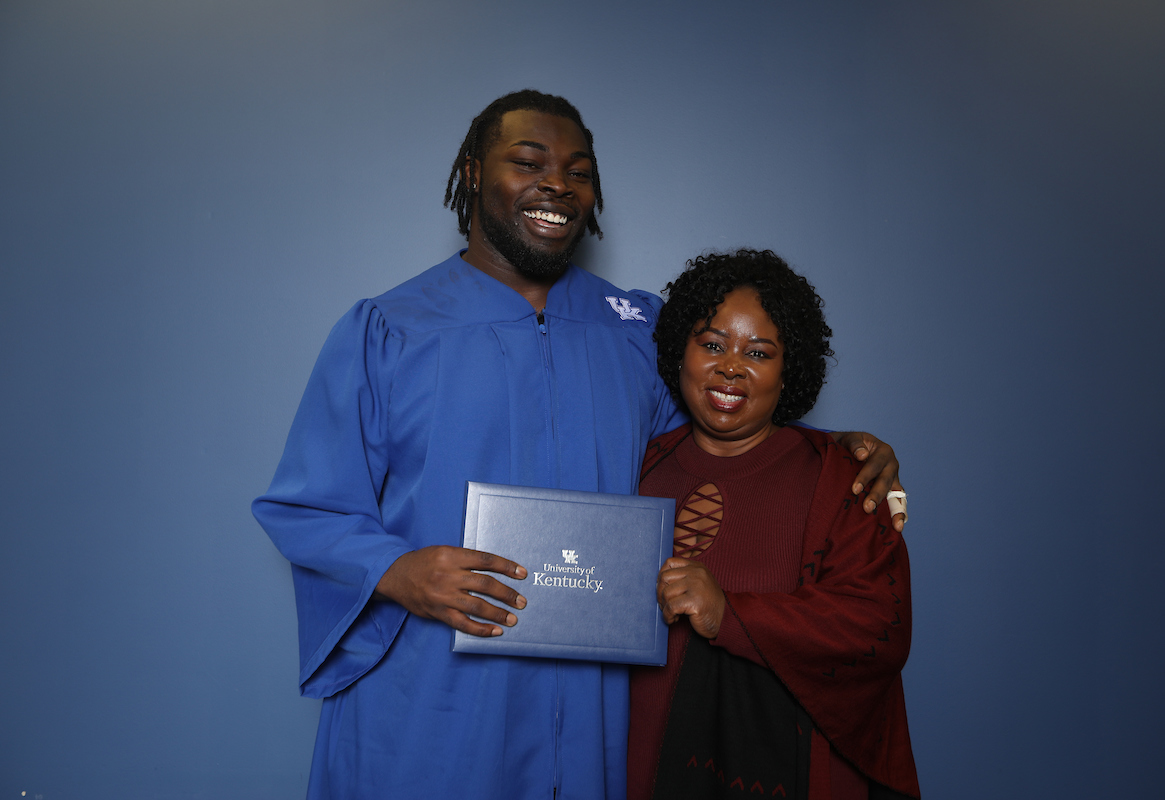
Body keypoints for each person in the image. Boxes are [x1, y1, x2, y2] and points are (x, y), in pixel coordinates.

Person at [253, 91, 905, 799]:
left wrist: (833, 449)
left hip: (591, 690)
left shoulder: (633, 329)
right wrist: (399, 571)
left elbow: (711, 433)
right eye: (528, 161)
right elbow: (307, 506)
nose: (557, 185)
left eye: (579, 170)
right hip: (435, 681)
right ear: (473, 173)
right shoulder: (390, 329)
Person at [629, 250, 919, 799]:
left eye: (758, 353)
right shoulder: (637, 468)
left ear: (789, 370)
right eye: (712, 345)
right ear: (679, 352)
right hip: (633, 765)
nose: (730, 367)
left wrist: (729, 613)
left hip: (781, 770)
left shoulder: (842, 479)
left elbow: (879, 629)